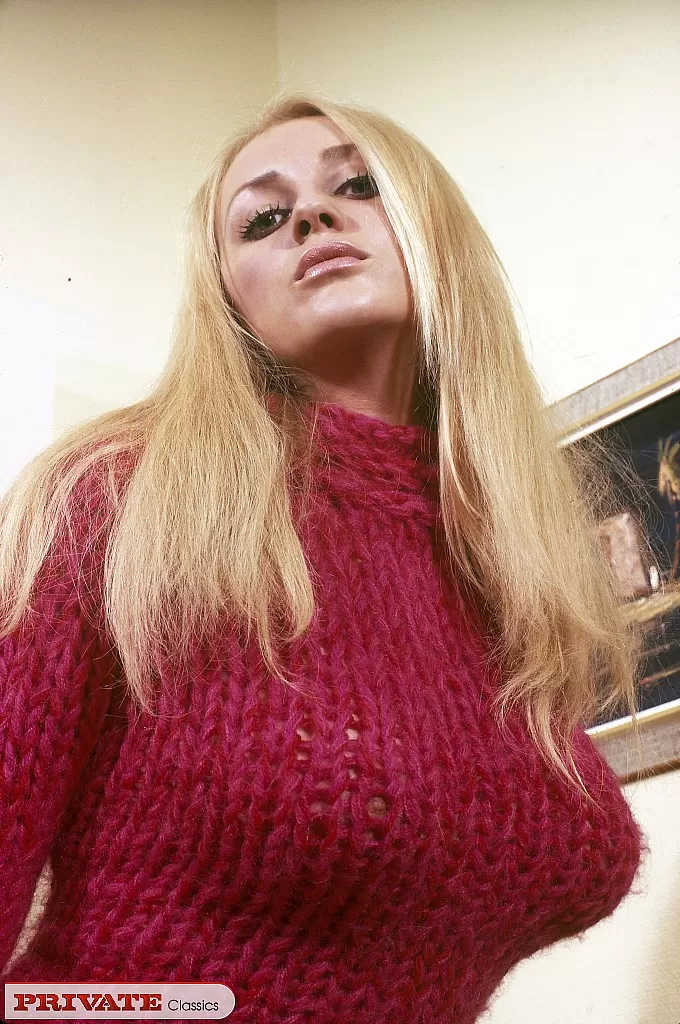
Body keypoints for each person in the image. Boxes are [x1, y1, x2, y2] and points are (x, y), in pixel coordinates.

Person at [0, 93, 650, 1023]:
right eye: (262, 219)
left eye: (359, 185)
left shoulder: (510, 564)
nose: (310, 214)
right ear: (229, 300)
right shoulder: (115, 497)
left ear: (435, 234)